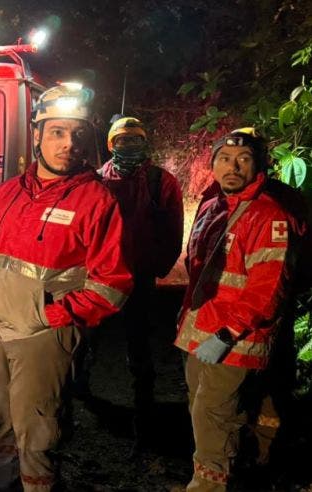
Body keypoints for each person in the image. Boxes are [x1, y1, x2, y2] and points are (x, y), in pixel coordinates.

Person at [0, 83, 133, 491]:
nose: (68, 143)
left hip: (45, 336)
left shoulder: (97, 201)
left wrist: (49, 316)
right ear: (37, 135)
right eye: (57, 131)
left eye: (77, 134)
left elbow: (113, 284)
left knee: (38, 435)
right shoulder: (7, 194)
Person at [175, 128, 300, 492]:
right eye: (225, 159)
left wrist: (228, 333)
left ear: (259, 165)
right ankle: (218, 476)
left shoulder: (268, 216)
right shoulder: (213, 205)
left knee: (214, 415)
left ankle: (209, 486)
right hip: (201, 332)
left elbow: (268, 288)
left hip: (233, 340)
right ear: (212, 164)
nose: (233, 166)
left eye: (244, 160)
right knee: (202, 412)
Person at [89, 116, 184, 449]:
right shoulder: (95, 181)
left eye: (135, 140)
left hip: (139, 274)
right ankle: (79, 397)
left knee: (138, 342)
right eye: (122, 141)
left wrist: (158, 266)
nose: (129, 146)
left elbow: (173, 229)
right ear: (111, 145)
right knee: (87, 336)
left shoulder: (161, 181)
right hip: (98, 274)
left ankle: (142, 408)